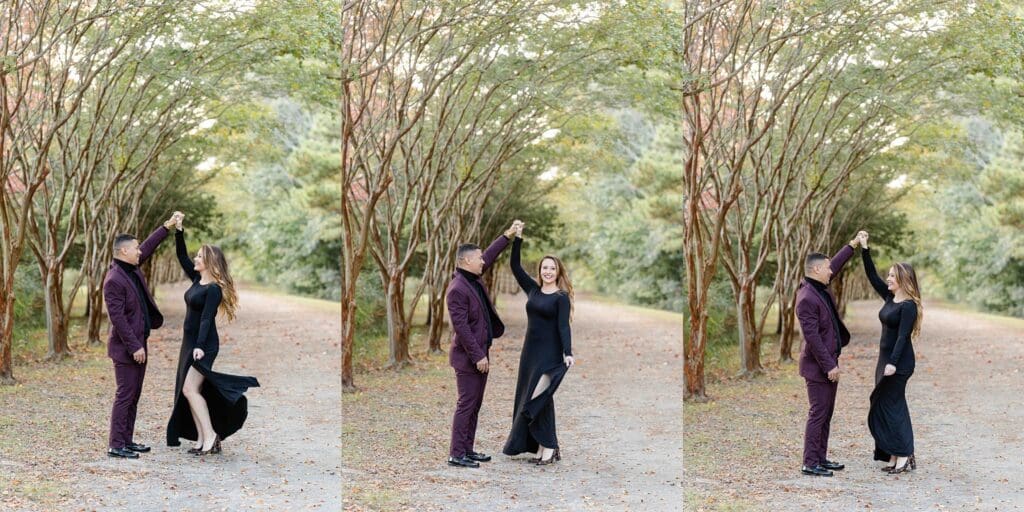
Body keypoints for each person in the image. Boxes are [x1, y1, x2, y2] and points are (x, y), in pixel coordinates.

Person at [165, 213, 259, 455]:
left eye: (199, 256)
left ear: (209, 261)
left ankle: (211, 436)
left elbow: (206, 319)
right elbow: (180, 256)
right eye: (196, 255)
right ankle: (201, 438)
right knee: (192, 390)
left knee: (190, 389)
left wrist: (199, 345)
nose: (195, 258)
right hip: (189, 343)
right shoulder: (197, 280)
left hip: (203, 344)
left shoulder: (214, 290)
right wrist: (179, 229)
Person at [103, 212, 181, 458]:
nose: (139, 251)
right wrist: (135, 346)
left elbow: (147, 247)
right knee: (125, 394)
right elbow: (118, 320)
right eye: (135, 249)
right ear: (124, 251)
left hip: (140, 343)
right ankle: (116, 444)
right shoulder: (114, 280)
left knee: (134, 394)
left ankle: (127, 440)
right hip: (127, 347)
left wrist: (166, 226)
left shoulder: (131, 268)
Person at [445, 220, 522, 468]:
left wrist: (507, 235)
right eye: (478, 258)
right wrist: (478, 356)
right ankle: (456, 454)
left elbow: (489, 255)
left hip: (480, 354)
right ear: (467, 261)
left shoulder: (473, 278)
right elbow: (462, 329)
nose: (482, 261)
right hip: (469, 358)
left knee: (475, 405)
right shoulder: (457, 289)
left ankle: (467, 449)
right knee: (466, 404)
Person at [501, 222, 574, 465]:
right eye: (545, 268)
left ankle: (550, 446)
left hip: (549, 354)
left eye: (552, 268)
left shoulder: (561, 298)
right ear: (540, 270)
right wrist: (518, 238)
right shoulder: (532, 290)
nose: (548, 271)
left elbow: (564, 326)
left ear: (558, 271)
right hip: (529, 354)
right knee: (535, 398)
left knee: (539, 397)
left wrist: (568, 352)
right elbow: (514, 266)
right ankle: (546, 448)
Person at [796, 234, 861, 477]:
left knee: (826, 413)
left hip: (829, 362)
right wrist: (829, 366)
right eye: (826, 268)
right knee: (818, 413)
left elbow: (836, 262)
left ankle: (820, 458)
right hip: (818, 367)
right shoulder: (806, 298)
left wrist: (852, 244)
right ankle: (809, 462)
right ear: (815, 269)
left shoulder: (819, 287)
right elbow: (812, 339)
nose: (830, 271)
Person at [857, 230, 921, 474]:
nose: (888, 278)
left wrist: (893, 363)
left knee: (892, 406)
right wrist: (865, 248)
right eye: (889, 275)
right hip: (884, 361)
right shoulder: (889, 297)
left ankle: (905, 455)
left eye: (893, 275)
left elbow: (903, 337)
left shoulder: (908, 306)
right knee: (884, 405)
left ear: (904, 279)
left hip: (899, 363)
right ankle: (894, 455)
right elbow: (872, 275)